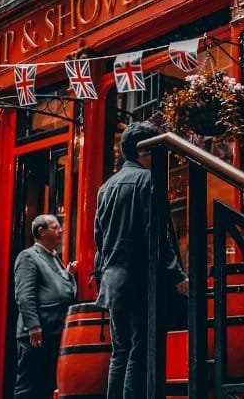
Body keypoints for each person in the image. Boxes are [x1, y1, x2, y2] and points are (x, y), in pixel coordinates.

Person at [93, 121, 187, 399]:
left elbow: (99, 237)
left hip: (112, 279)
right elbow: (158, 234)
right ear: (142, 151)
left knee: (119, 351)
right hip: (140, 278)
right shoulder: (148, 181)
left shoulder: (106, 187)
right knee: (140, 349)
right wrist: (176, 274)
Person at [13, 214, 78, 399]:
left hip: (53, 332)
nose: (61, 230)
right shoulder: (28, 256)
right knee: (28, 386)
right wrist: (34, 326)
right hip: (36, 333)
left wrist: (69, 274)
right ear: (41, 231)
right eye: (55, 227)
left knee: (46, 385)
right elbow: (25, 295)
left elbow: (58, 287)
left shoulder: (54, 257)